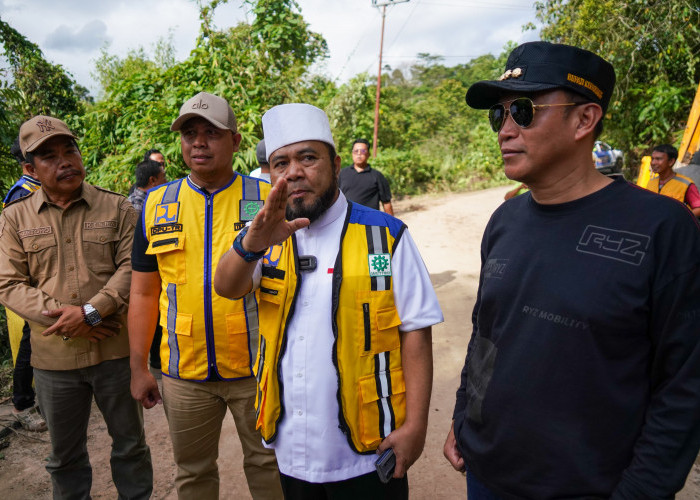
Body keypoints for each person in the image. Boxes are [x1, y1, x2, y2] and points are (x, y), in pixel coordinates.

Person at [443, 41, 700, 499]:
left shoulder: (662, 228)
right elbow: (487, 333)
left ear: (585, 119)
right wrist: (465, 417)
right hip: (486, 474)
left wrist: (642, 491)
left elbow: (685, 381)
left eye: (522, 110)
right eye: (497, 115)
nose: (504, 129)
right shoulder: (505, 220)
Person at [214, 103, 443, 499]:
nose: (295, 172)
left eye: (308, 158)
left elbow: (416, 334)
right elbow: (227, 286)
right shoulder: (263, 238)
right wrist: (251, 243)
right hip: (291, 446)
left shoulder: (386, 237)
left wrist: (416, 428)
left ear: (335, 164)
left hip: (370, 448)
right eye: (281, 163)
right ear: (270, 174)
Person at [128, 91, 281, 499]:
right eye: (190, 133)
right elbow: (143, 292)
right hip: (184, 372)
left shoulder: (263, 199)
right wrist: (139, 367)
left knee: (269, 465)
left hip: (256, 367)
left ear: (234, 140)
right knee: (193, 473)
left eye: (211, 133)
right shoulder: (157, 204)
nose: (199, 142)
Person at [0, 115, 153, 498]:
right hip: (55, 362)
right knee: (65, 458)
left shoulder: (118, 208)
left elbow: (134, 267)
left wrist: (92, 311)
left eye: (70, 149)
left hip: (114, 352)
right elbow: (9, 283)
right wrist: (68, 319)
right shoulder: (14, 218)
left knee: (131, 448)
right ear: (29, 169)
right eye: (49, 156)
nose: (65, 160)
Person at [2, 137, 46, 432]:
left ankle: (41, 396)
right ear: (29, 164)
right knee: (30, 343)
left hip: (46, 278)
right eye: (47, 156)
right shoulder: (21, 193)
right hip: (29, 282)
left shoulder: (39, 188)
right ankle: (22, 403)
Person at [338, 139, 394, 215]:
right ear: (352, 153)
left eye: (363, 151)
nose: (359, 154)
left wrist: (391, 224)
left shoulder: (377, 176)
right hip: (346, 221)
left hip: (370, 221)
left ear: (368, 154)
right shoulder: (341, 174)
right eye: (356, 151)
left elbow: (387, 203)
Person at [645, 144, 700, 217]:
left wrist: (681, 220)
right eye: (652, 159)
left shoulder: (685, 184)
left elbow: (698, 208)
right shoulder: (651, 182)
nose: (653, 163)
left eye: (658, 159)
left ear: (671, 162)